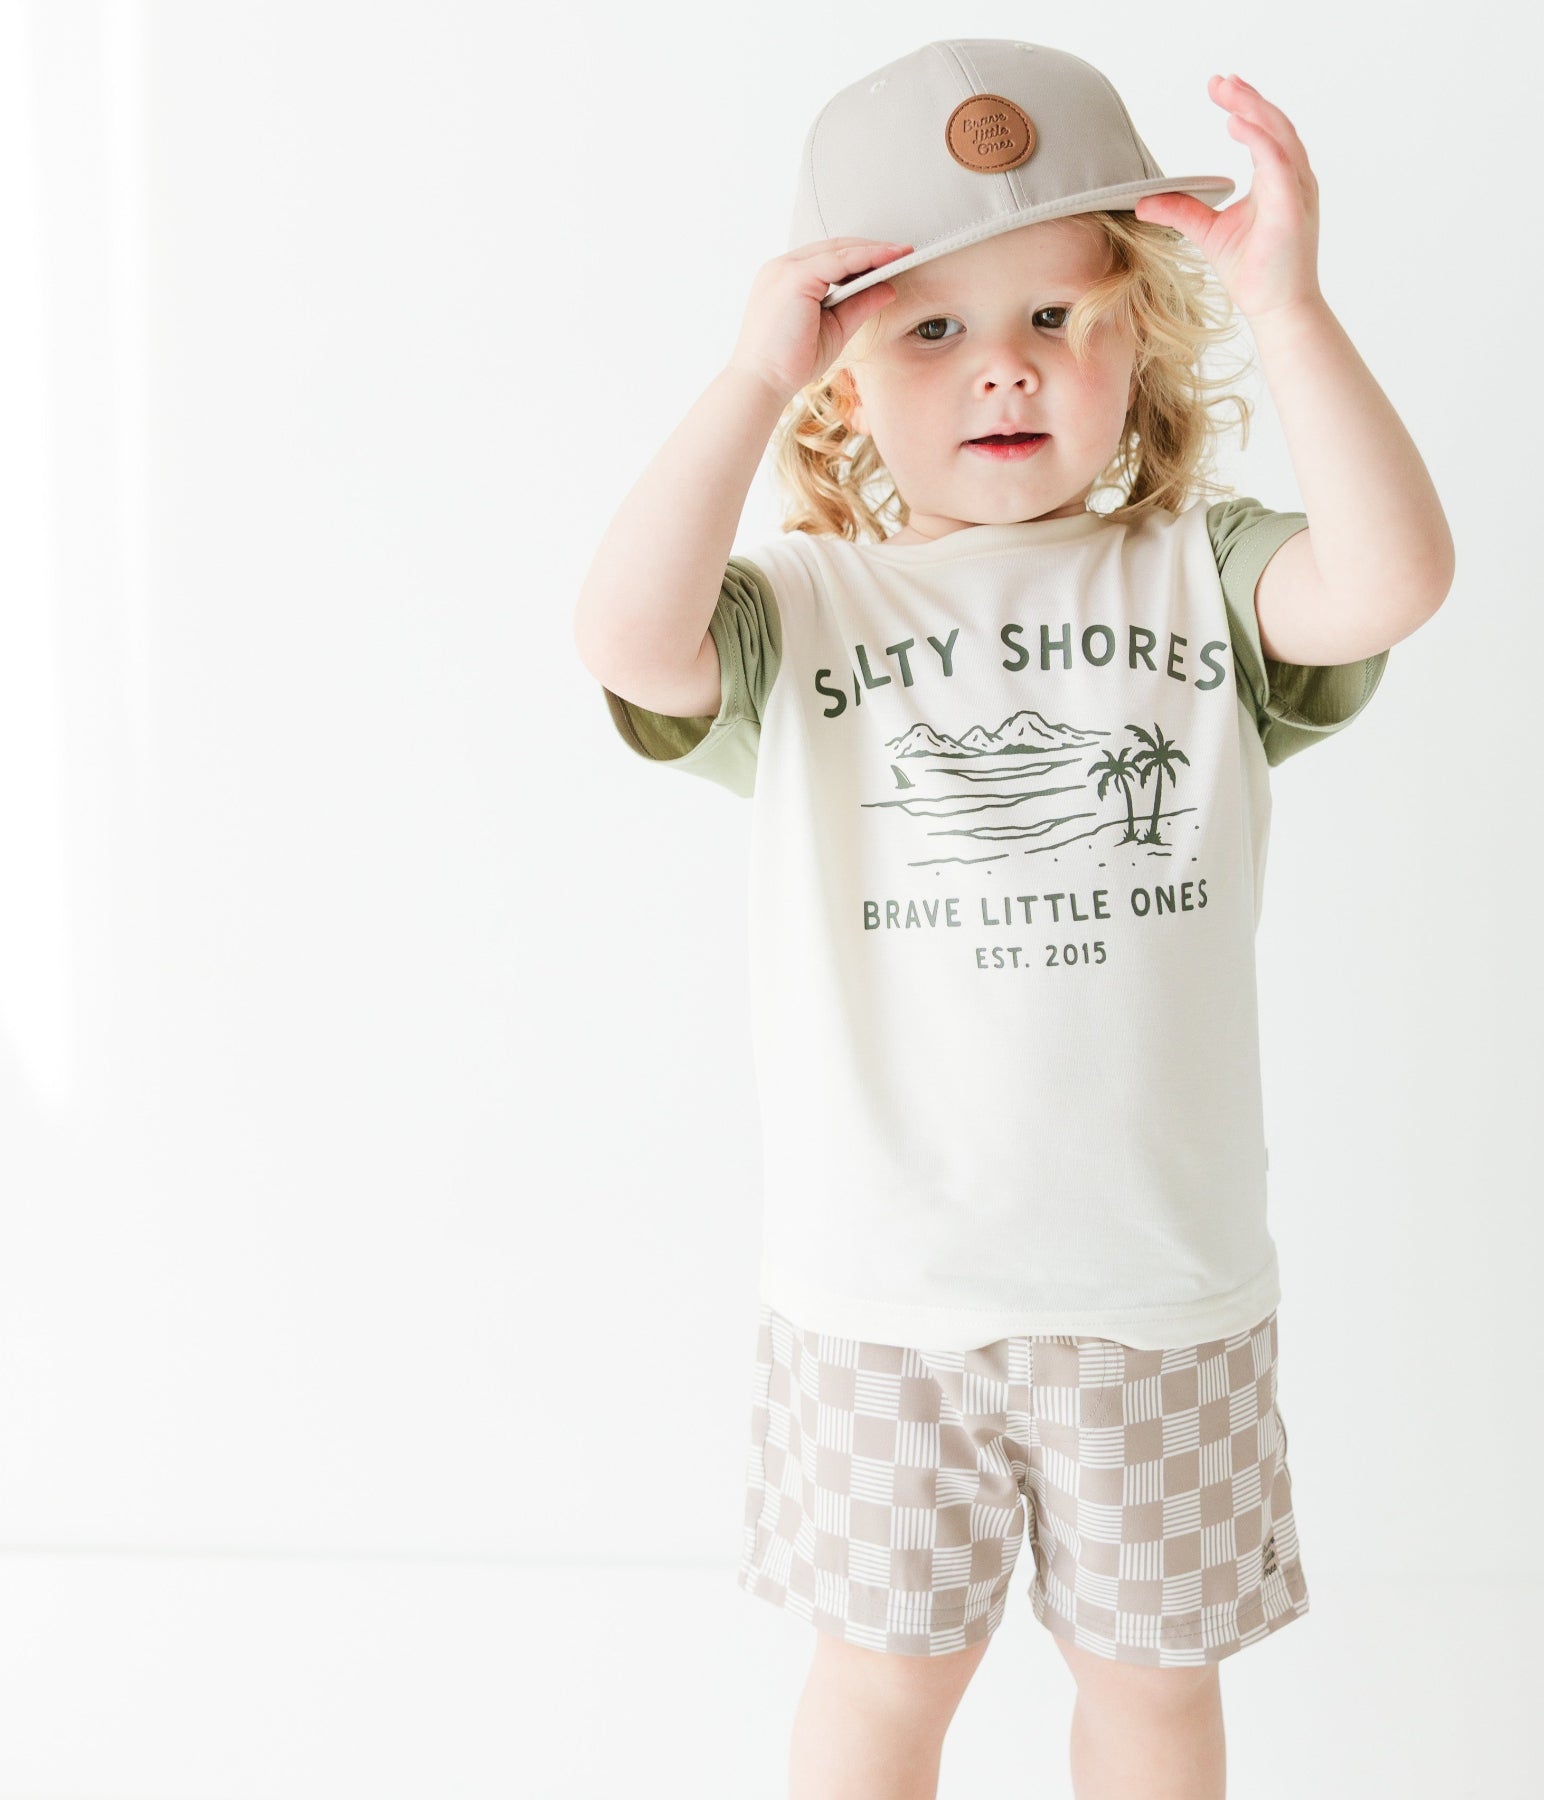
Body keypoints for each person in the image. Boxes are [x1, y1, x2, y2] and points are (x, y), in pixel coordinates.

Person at [572, 39, 1451, 1800]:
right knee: (881, 1691)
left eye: (1057, 316)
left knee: (1153, 1693)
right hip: (883, 1304)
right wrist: (745, 382)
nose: (1004, 368)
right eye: (931, 329)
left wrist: (1289, 307)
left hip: (1162, 1296)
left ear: (1142, 338)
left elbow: (1391, 578)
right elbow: (627, 641)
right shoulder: (805, 610)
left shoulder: (1202, 576)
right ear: (840, 374)